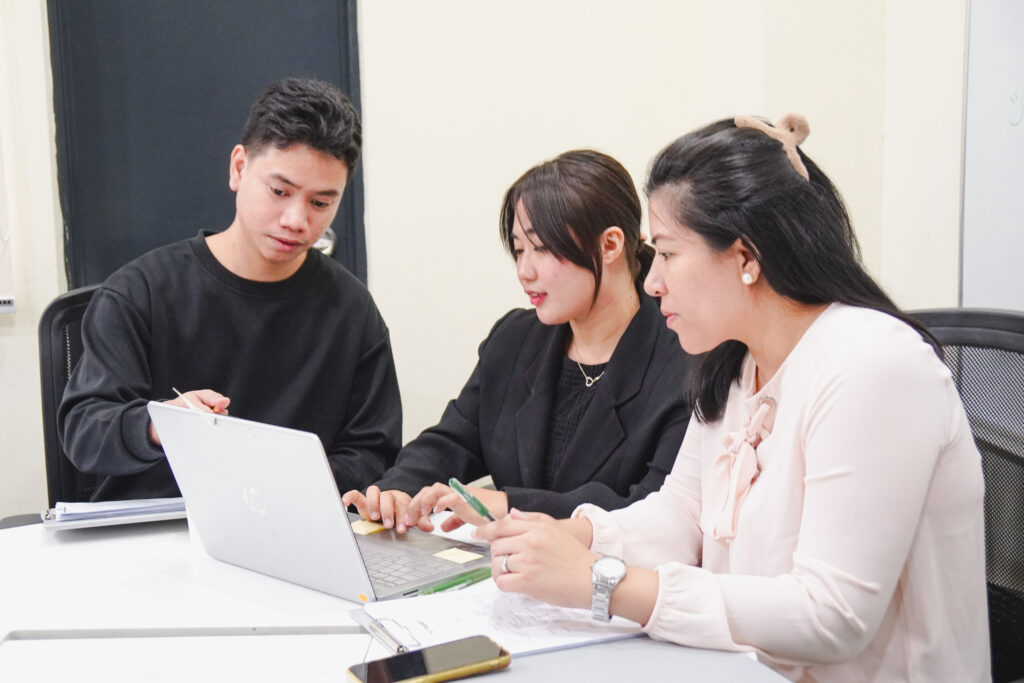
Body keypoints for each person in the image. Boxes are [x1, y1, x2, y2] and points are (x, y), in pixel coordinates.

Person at [474, 115, 989, 681]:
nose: (651, 281)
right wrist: (578, 535)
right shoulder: (736, 362)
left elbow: (832, 615)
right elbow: (683, 515)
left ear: (746, 258)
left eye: (667, 254)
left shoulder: (874, 366)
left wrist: (602, 580)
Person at [59, 78, 402, 501]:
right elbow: (84, 430)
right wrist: (157, 423)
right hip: (154, 532)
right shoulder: (140, 292)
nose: (297, 220)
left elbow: (374, 452)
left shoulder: (351, 311)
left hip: (285, 528)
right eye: (280, 191)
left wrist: (280, 482)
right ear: (239, 168)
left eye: (320, 203)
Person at [343, 150, 692, 533]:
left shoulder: (684, 356)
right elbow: (452, 441)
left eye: (542, 248)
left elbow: (653, 509)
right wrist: (399, 489)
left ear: (610, 246)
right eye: (519, 249)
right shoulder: (516, 338)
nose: (524, 271)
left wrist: (510, 505)